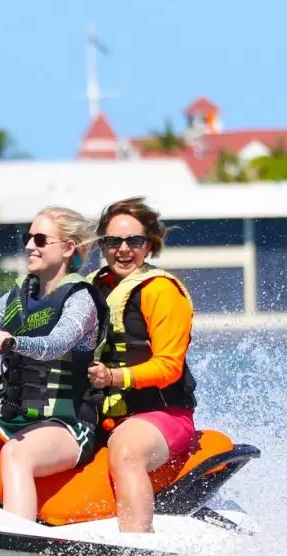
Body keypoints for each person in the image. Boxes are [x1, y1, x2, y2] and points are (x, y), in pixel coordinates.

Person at [0, 206, 108, 522]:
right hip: (12, 418)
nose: (30, 246)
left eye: (41, 239)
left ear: (69, 248)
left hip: (67, 426)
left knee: (17, 453)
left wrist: (12, 342)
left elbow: (55, 344)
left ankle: (14, 543)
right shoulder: (15, 297)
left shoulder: (80, 298)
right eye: (28, 238)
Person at [86, 196, 198, 533]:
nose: (123, 249)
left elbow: (169, 366)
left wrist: (115, 377)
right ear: (102, 245)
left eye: (134, 241)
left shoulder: (160, 290)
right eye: (113, 241)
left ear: (149, 246)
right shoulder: (90, 288)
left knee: (126, 450)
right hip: (102, 415)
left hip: (164, 416)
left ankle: (138, 554)